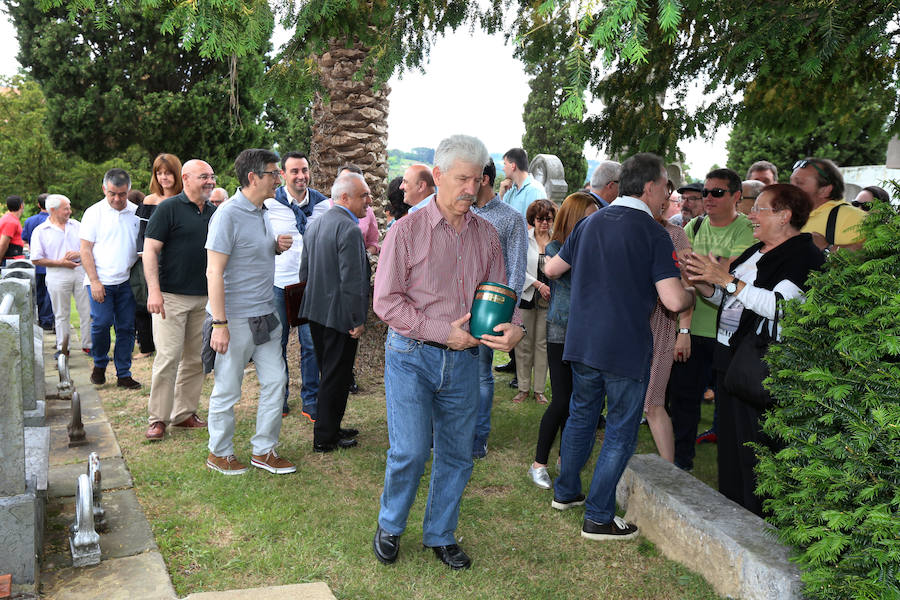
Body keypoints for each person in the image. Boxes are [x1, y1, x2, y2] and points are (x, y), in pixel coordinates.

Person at [372, 134, 524, 570]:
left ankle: (440, 533)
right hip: (410, 355)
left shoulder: (487, 235)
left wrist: (511, 328)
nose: (470, 190)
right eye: (461, 179)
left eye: (477, 180)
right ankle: (391, 524)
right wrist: (443, 331)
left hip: (463, 361)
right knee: (411, 450)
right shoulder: (406, 230)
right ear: (437, 176)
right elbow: (387, 302)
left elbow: (498, 295)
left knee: (457, 453)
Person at [543, 152, 694, 541]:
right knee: (620, 431)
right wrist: (692, 293)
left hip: (582, 339)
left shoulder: (590, 222)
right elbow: (674, 301)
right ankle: (597, 517)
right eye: (665, 186)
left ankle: (566, 492)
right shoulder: (654, 233)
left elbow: (552, 269)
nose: (668, 194)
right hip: (625, 345)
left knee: (581, 415)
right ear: (648, 187)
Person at [685, 183, 824, 515]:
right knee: (730, 446)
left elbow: (780, 307)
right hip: (728, 359)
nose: (750, 215)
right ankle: (733, 511)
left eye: (759, 209)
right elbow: (728, 297)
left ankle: (757, 520)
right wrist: (704, 281)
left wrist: (727, 280)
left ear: (784, 215)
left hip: (759, 366)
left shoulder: (803, 255)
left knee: (755, 449)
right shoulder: (755, 251)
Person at [205, 148, 295, 476]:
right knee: (228, 387)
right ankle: (219, 452)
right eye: (273, 173)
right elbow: (214, 272)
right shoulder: (227, 214)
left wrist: (274, 246)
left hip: (265, 314)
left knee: (276, 381)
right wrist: (219, 323)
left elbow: (250, 250)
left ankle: (264, 450)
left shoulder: (262, 211)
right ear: (253, 177)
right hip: (235, 318)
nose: (278, 179)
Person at [666, 168, 755, 471]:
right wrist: (714, 266)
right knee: (684, 400)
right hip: (692, 329)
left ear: (736, 197)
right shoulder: (695, 225)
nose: (708, 198)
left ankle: (732, 467)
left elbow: (732, 273)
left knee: (729, 403)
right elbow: (685, 272)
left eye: (717, 192)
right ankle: (682, 461)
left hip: (729, 334)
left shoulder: (747, 229)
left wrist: (708, 268)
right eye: (705, 192)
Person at [142, 159, 217, 441]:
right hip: (170, 297)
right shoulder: (168, 209)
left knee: (195, 359)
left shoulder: (214, 212)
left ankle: (184, 414)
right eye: (203, 177)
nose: (210, 181)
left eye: (211, 177)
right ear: (185, 178)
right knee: (168, 357)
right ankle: (158, 419)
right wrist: (154, 291)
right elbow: (150, 251)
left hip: (204, 298)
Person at [528, 192, 597, 489]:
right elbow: (565, 274)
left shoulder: (595, 247)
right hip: (562, 330)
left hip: (589, 330)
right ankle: (538, 463)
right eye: (590, 217)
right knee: (562, 400)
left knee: (581, 401)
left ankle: (565, 459)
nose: (596, 222)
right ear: (576, 218)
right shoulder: (558, 247)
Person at [299, 172, 371, 452]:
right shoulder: (349, 229)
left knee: (329, 374)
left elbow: (304, 272)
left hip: (317, 313)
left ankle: (331, 427)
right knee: (335, 376)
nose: (368, 200)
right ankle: (325, 437)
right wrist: (356, 319)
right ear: (344, 198)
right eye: (363, 195)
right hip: (340, 316)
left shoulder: (316, 225)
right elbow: (353, 280)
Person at [470, 158, 528, 459]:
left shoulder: (510, 218)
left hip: (489, 310)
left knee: (481, 373)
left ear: (484, 179)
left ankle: (478, 439)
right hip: (454, 309)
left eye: (471, 176)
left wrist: (511, 317)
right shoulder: (460, 212)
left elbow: (517, 271)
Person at [265, 151, 327, 420]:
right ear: (283, 174)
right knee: (275, 344)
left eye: (304, 170)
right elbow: (254, 238)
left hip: (309, 286)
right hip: (278, 284)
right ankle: (279, 398)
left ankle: (311, 400)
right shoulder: (269, 204)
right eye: (294, 171)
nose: (300, 176)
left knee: (311, 345)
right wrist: (273, 244)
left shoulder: (324, 205)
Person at [80, 168, 142, 389]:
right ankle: (99, 363)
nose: (117, 199)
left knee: (126, 327)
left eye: (122, 194)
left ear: (129, 190)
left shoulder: (136, 213)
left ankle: (123, 373)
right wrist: (95, 281)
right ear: (104, 189)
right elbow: (85, 249)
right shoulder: (93, 213)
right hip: (100, 280)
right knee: (102, 323)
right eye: (112, 194)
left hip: (126, 281)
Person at [644, 188, 692, 463]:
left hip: (661, 324)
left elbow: (689, 286)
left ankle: (669, 471)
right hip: (625, 324)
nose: (661, 202)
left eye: (666, 197)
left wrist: (683, 332)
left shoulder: (676, 235)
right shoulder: (627, 228)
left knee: (653, 402)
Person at [134, 154, 184, 359]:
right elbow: (142, 238)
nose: (164, 177)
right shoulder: (150, 200)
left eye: (168, 173)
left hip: (182, 263)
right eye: (159, 173)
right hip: (157, 264)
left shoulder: (186, 198)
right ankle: (155, 348)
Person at [29, 194, 92, 356]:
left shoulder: (77, 226)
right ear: (52, 210)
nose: (69, 211)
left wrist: (78, 252)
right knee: (61, 314)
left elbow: (91, 247)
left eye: (69, 208)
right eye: (66, 209)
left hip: (80, 271)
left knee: (87, 310)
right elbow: (36, 259)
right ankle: (63, 349)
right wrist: (60, 262)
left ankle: (89, 345)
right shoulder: (40, 231)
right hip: (57, 274)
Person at [513, 199, 557, 404]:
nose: (544, 223)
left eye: (548, 219)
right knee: (523, 343)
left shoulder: (557, 242)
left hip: (550, 301)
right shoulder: (524, 239)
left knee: (542, 344)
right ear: (533, 219)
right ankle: (523, 388)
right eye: (540, 219)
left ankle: (539, 389)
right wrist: (538, 284)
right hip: (527, 297)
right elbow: (518, 268)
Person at [790, 157, 865, 252]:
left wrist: (827, 247)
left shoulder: (855, 218)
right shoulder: (787, 215)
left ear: (824, 190)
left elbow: (870, 257)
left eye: (799, 183)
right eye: (791, 182)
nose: (789, 188)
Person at [22, 193, 54, 330]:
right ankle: (48, 321)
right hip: (52, 263)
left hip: (36, 263)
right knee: (50, 294)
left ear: (38, 205)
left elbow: (24, 240)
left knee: (39, 292)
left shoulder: (29, 221)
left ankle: (41, 319)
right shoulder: (55, 220)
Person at [500, 147, 547, 216]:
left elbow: (534, 224)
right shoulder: (509, 190)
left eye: (505, 164)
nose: (503, 169)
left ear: (513, 166)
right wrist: (501, 195)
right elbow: (500, 218)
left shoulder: (534, 190)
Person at [0, 195, 25, 266]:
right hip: (10, 260)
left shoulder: (10, 218)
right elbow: (3, 243)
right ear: (21, 206)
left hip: (12, 259)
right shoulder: (11, 221)